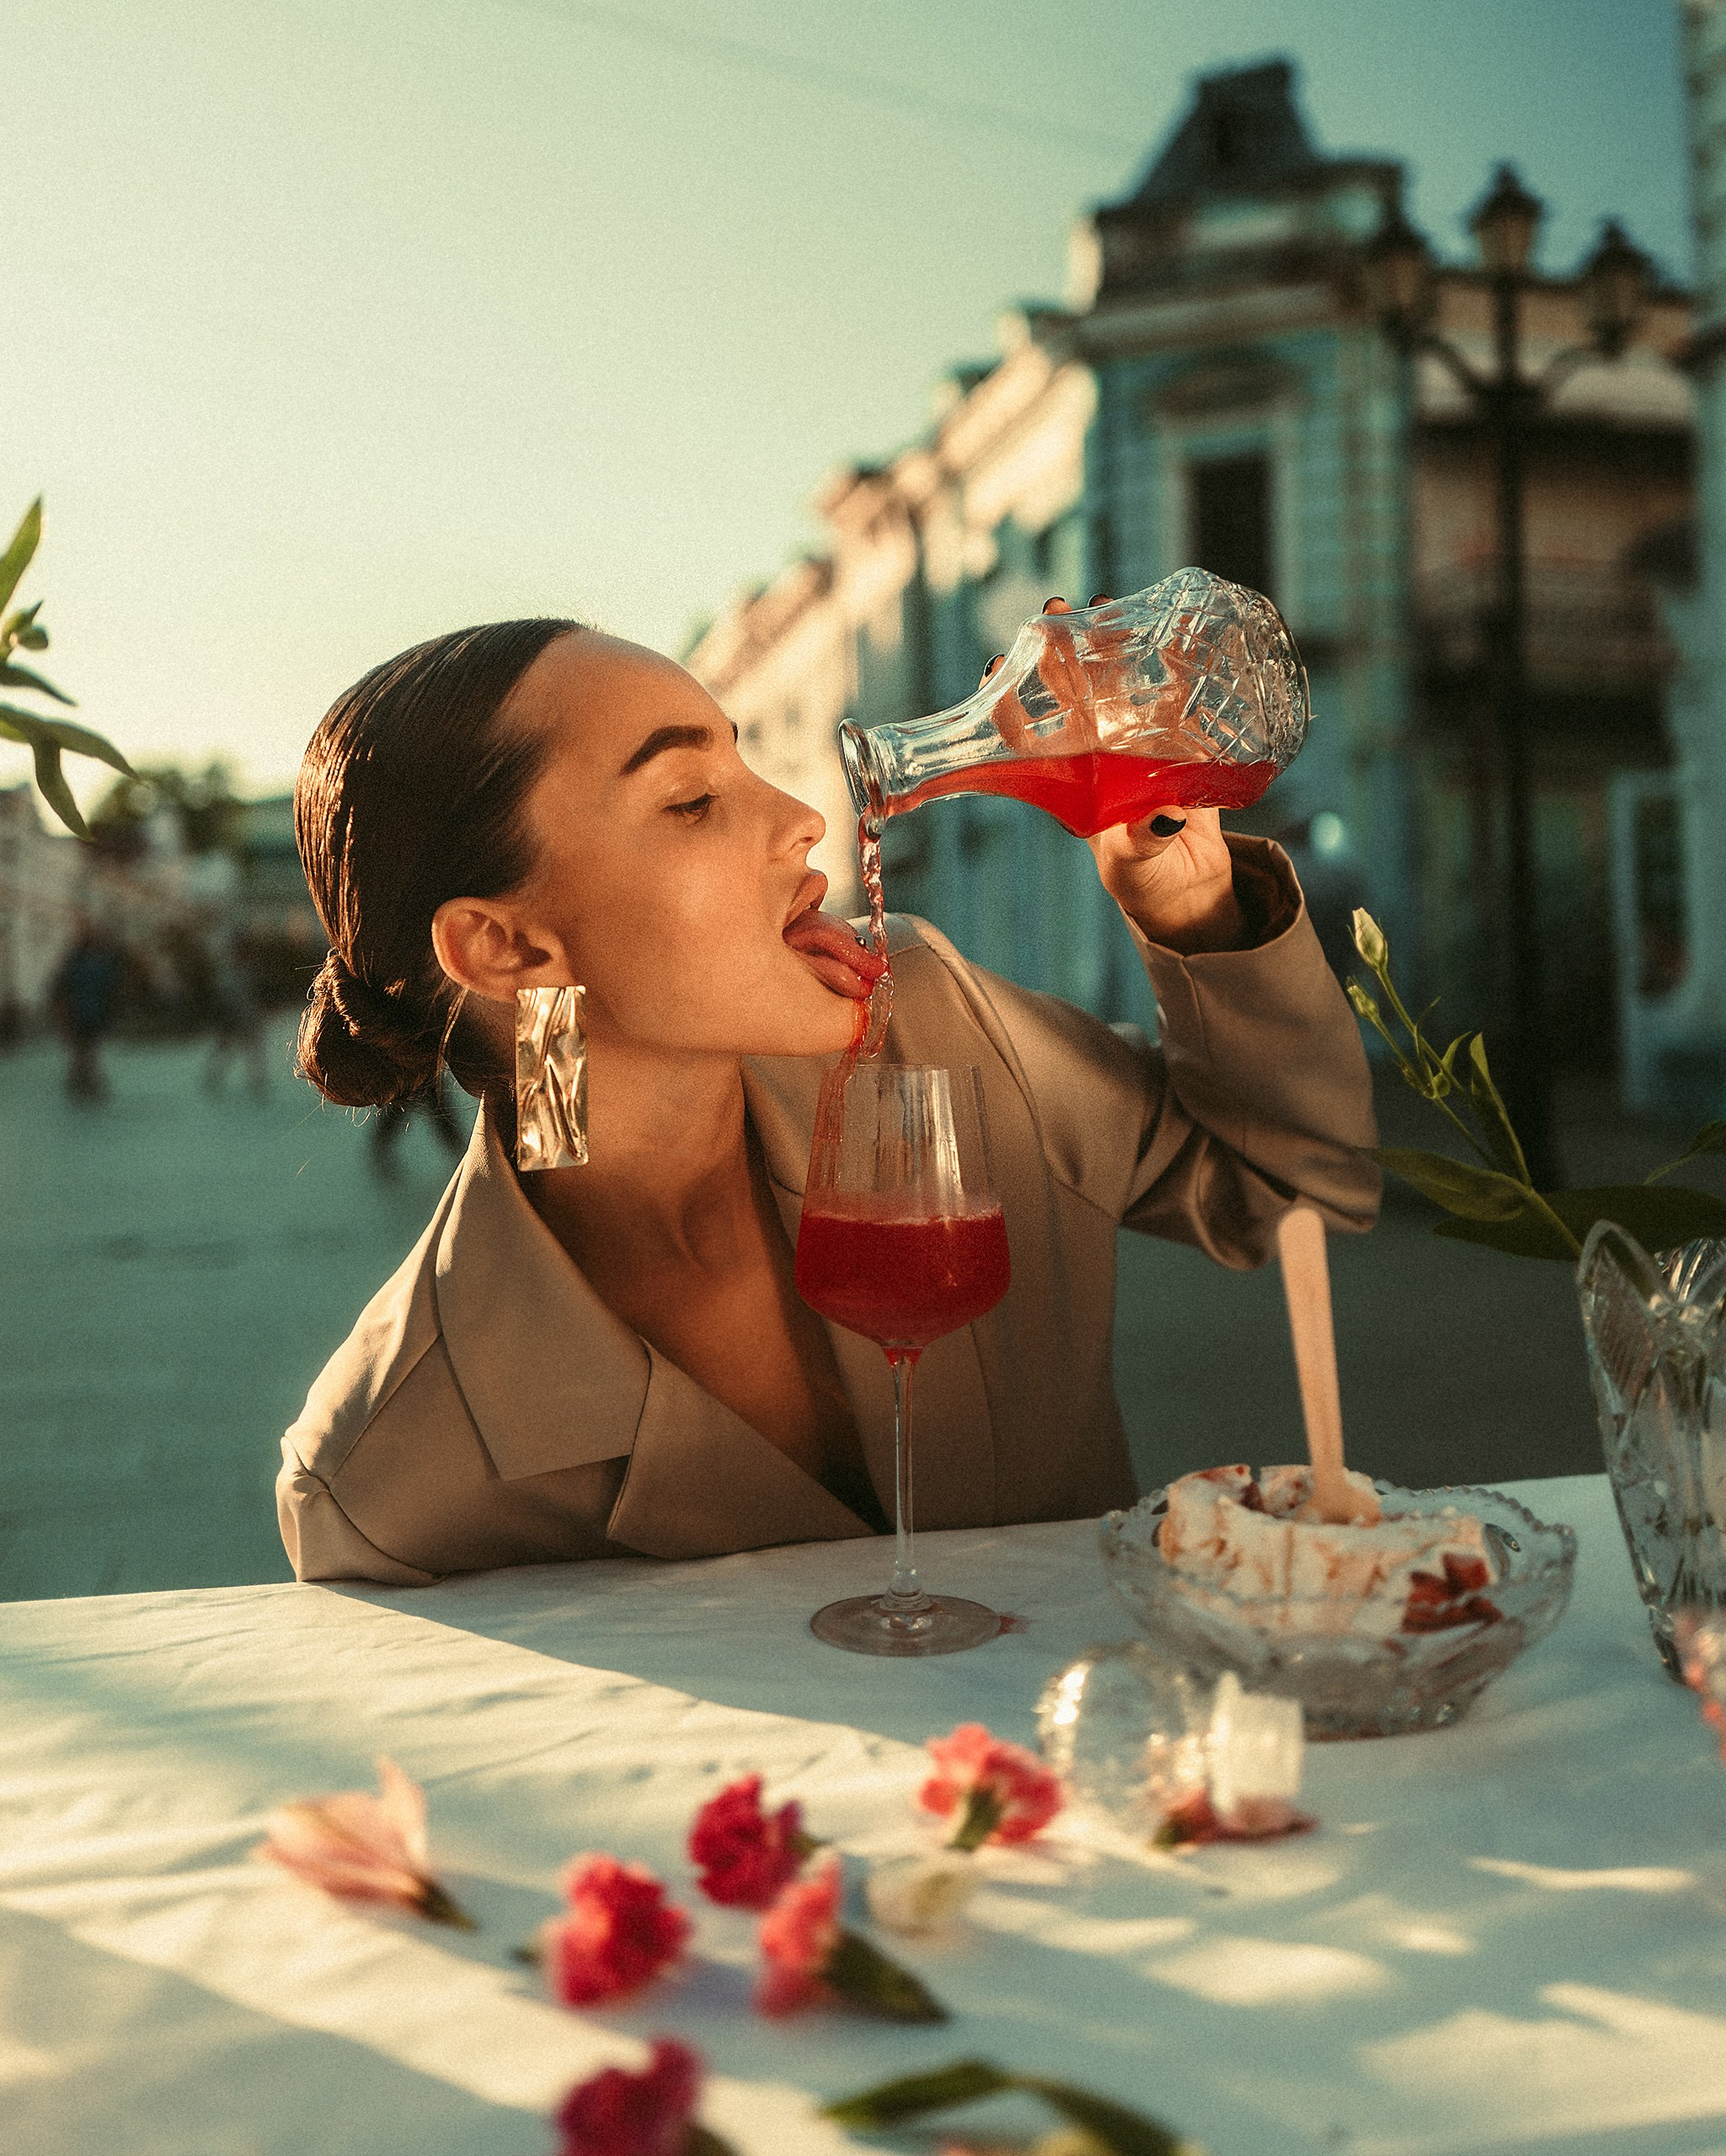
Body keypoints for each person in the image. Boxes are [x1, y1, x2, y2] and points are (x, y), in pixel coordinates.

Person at [277, 614, 1379, 1587]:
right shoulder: (388, 1487)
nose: (803, 817)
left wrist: (1192, 908)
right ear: (507, 945)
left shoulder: (928, 1022)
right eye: (693, 799)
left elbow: (1298, 1190)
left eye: (746, 763)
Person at [49, 914, 124, 1102]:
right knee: (86, 1050)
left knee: (84, 1050)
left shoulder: (79, 961)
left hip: (87, 1012)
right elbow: (113, 987)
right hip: (85, 1012)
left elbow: (60, 985)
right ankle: (86, 1082)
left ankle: (83, 1082)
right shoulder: (95, 962)